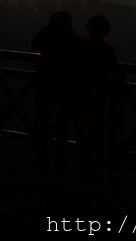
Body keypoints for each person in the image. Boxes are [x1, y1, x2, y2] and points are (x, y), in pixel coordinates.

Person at [71, 14, 119, 167]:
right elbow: (113, 72)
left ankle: (82, 156)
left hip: (80, 90)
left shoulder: (81, 45)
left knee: (80, 124)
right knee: (96, 126)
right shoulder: (108, 49)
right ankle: (96, 159)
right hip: (98, 93)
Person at [32, 10, 79, 160]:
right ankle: (60, 151)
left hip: (45, 82)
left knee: (43, 119)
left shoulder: (47, 33)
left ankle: (41, 150)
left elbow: (34, 45)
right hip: (65, 85)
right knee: (63, 121)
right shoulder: (73, 37)